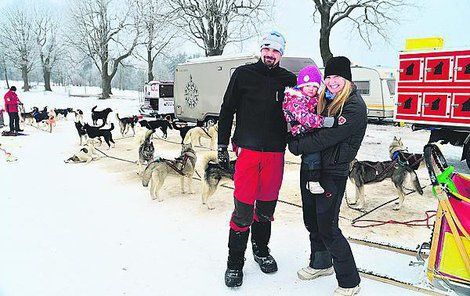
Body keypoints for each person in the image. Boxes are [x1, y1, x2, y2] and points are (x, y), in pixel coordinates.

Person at [217, 31, 296, 287]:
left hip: (275, 153)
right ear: (261, 49)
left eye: (276, 51)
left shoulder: (289, 80)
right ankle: (234, 264)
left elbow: (299, 116)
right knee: (243, 210)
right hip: (248, 152)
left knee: (265, 210)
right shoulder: (243, 74)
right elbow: (227, 109)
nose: (270, 54)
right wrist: (221, 144)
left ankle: (261, 251)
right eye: (267, 48)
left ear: (281, 54)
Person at [288, 56, 367, 296]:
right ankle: (321, 263)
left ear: (347, 79)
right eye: (329, 77)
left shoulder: (353, 106)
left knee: (328, 226)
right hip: (313, 168)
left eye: (337, 77)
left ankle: (350, 281)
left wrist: (297, 145)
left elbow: (326, 137)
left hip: (332, 171)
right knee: (312, 220)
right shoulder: (326, 100)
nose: (332, 82)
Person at [282, 65, 335, 195]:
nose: (312, 89)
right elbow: (305, 118)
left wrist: (330, 97)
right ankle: (312, 181)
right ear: (301, 86)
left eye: (315, 86)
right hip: (299, 132)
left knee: (318, 152)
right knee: (313, 153)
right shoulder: (295, 100)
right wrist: (324, 122)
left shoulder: (312, 98)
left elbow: (322, 103)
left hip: (309, 130)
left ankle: (314, 178)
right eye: (308, 86)